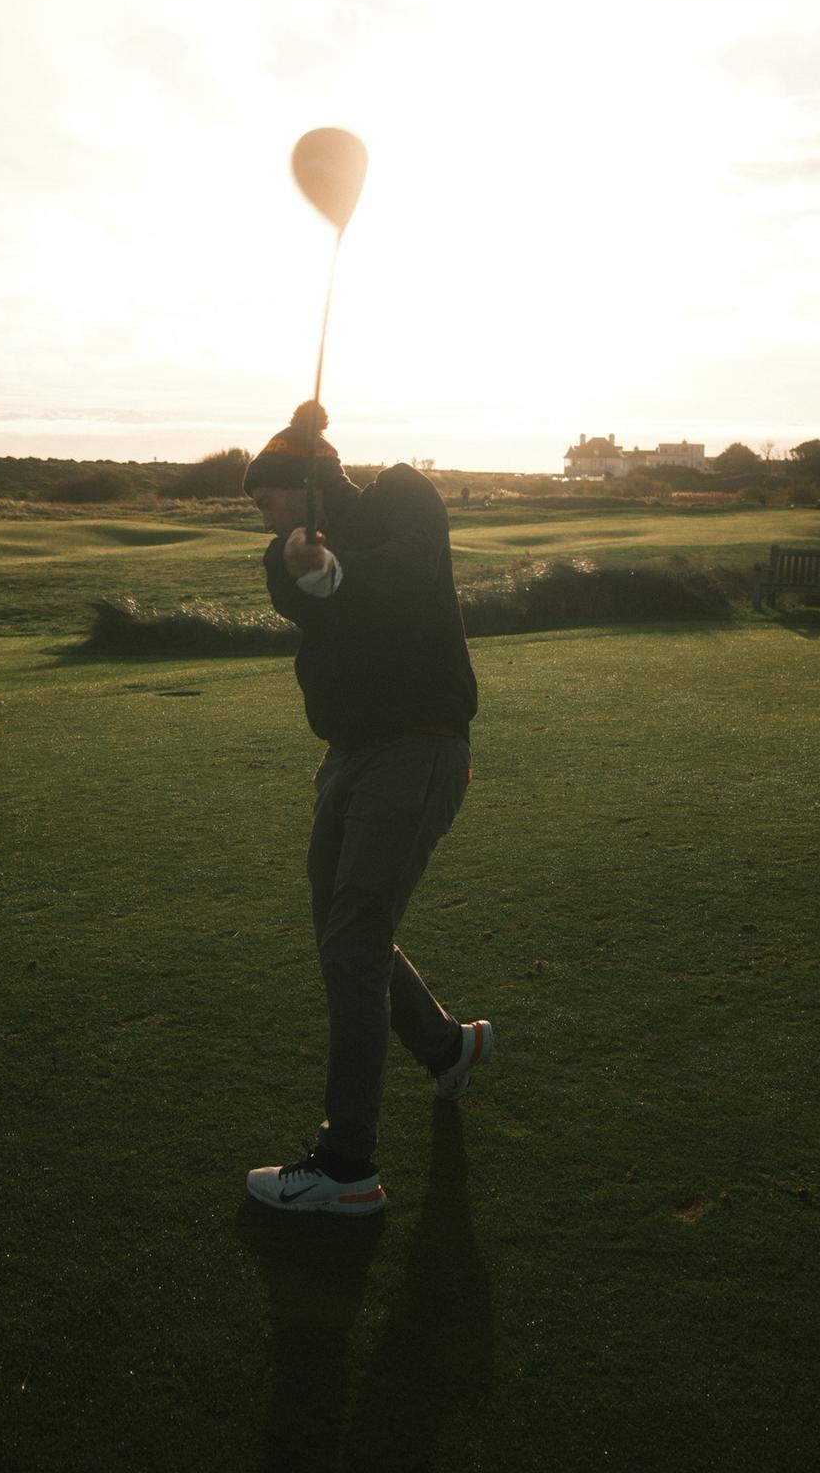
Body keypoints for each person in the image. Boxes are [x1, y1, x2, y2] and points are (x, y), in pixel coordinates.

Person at [242, 401, 492, 1216]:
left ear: (310, 483)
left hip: (419, 744)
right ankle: (448, 1047)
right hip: (346, 757)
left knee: (352, 941)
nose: (262, 514)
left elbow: (411, 568)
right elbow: (306, 593)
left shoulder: (402, 493)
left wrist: (341, 567)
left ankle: (346, 1164)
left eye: (270, 497)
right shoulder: (287, 556)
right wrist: (314, 563)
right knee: (347, 935)